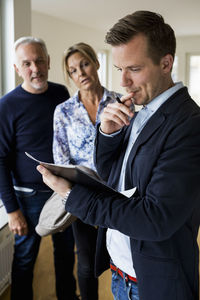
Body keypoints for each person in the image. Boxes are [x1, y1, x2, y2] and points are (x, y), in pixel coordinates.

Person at [37, 11, 200, 300]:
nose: (123, 81)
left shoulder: (189, 124)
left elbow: (156, 218)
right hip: (121, 273)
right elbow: (117, 179)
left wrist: (71, 195)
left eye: (133, 69)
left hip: (152, 283)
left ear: (166, 63)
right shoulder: (141, 109)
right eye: (119, 68)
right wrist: (109, 134)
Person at [0, 37, 78, 300]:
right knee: (24, 262)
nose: (35, 68)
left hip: (63, 190)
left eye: (39, 60)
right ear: (16, 68)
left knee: (67, 256)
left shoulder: (60, 94)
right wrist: (12, 211)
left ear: (48, 62)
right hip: (27, 197)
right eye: (27, 63)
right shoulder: (6, 106)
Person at [52, 42, 122, 300]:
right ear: (69, 76)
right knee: (85, 261)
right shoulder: (63, 112)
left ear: (96, 63)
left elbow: (130, 152)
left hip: (116, 194)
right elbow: (61, 160)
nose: (80, 73)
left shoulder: (118, 102)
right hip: (81, 196)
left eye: (84, 64)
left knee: (120, 257)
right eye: (72, 70)